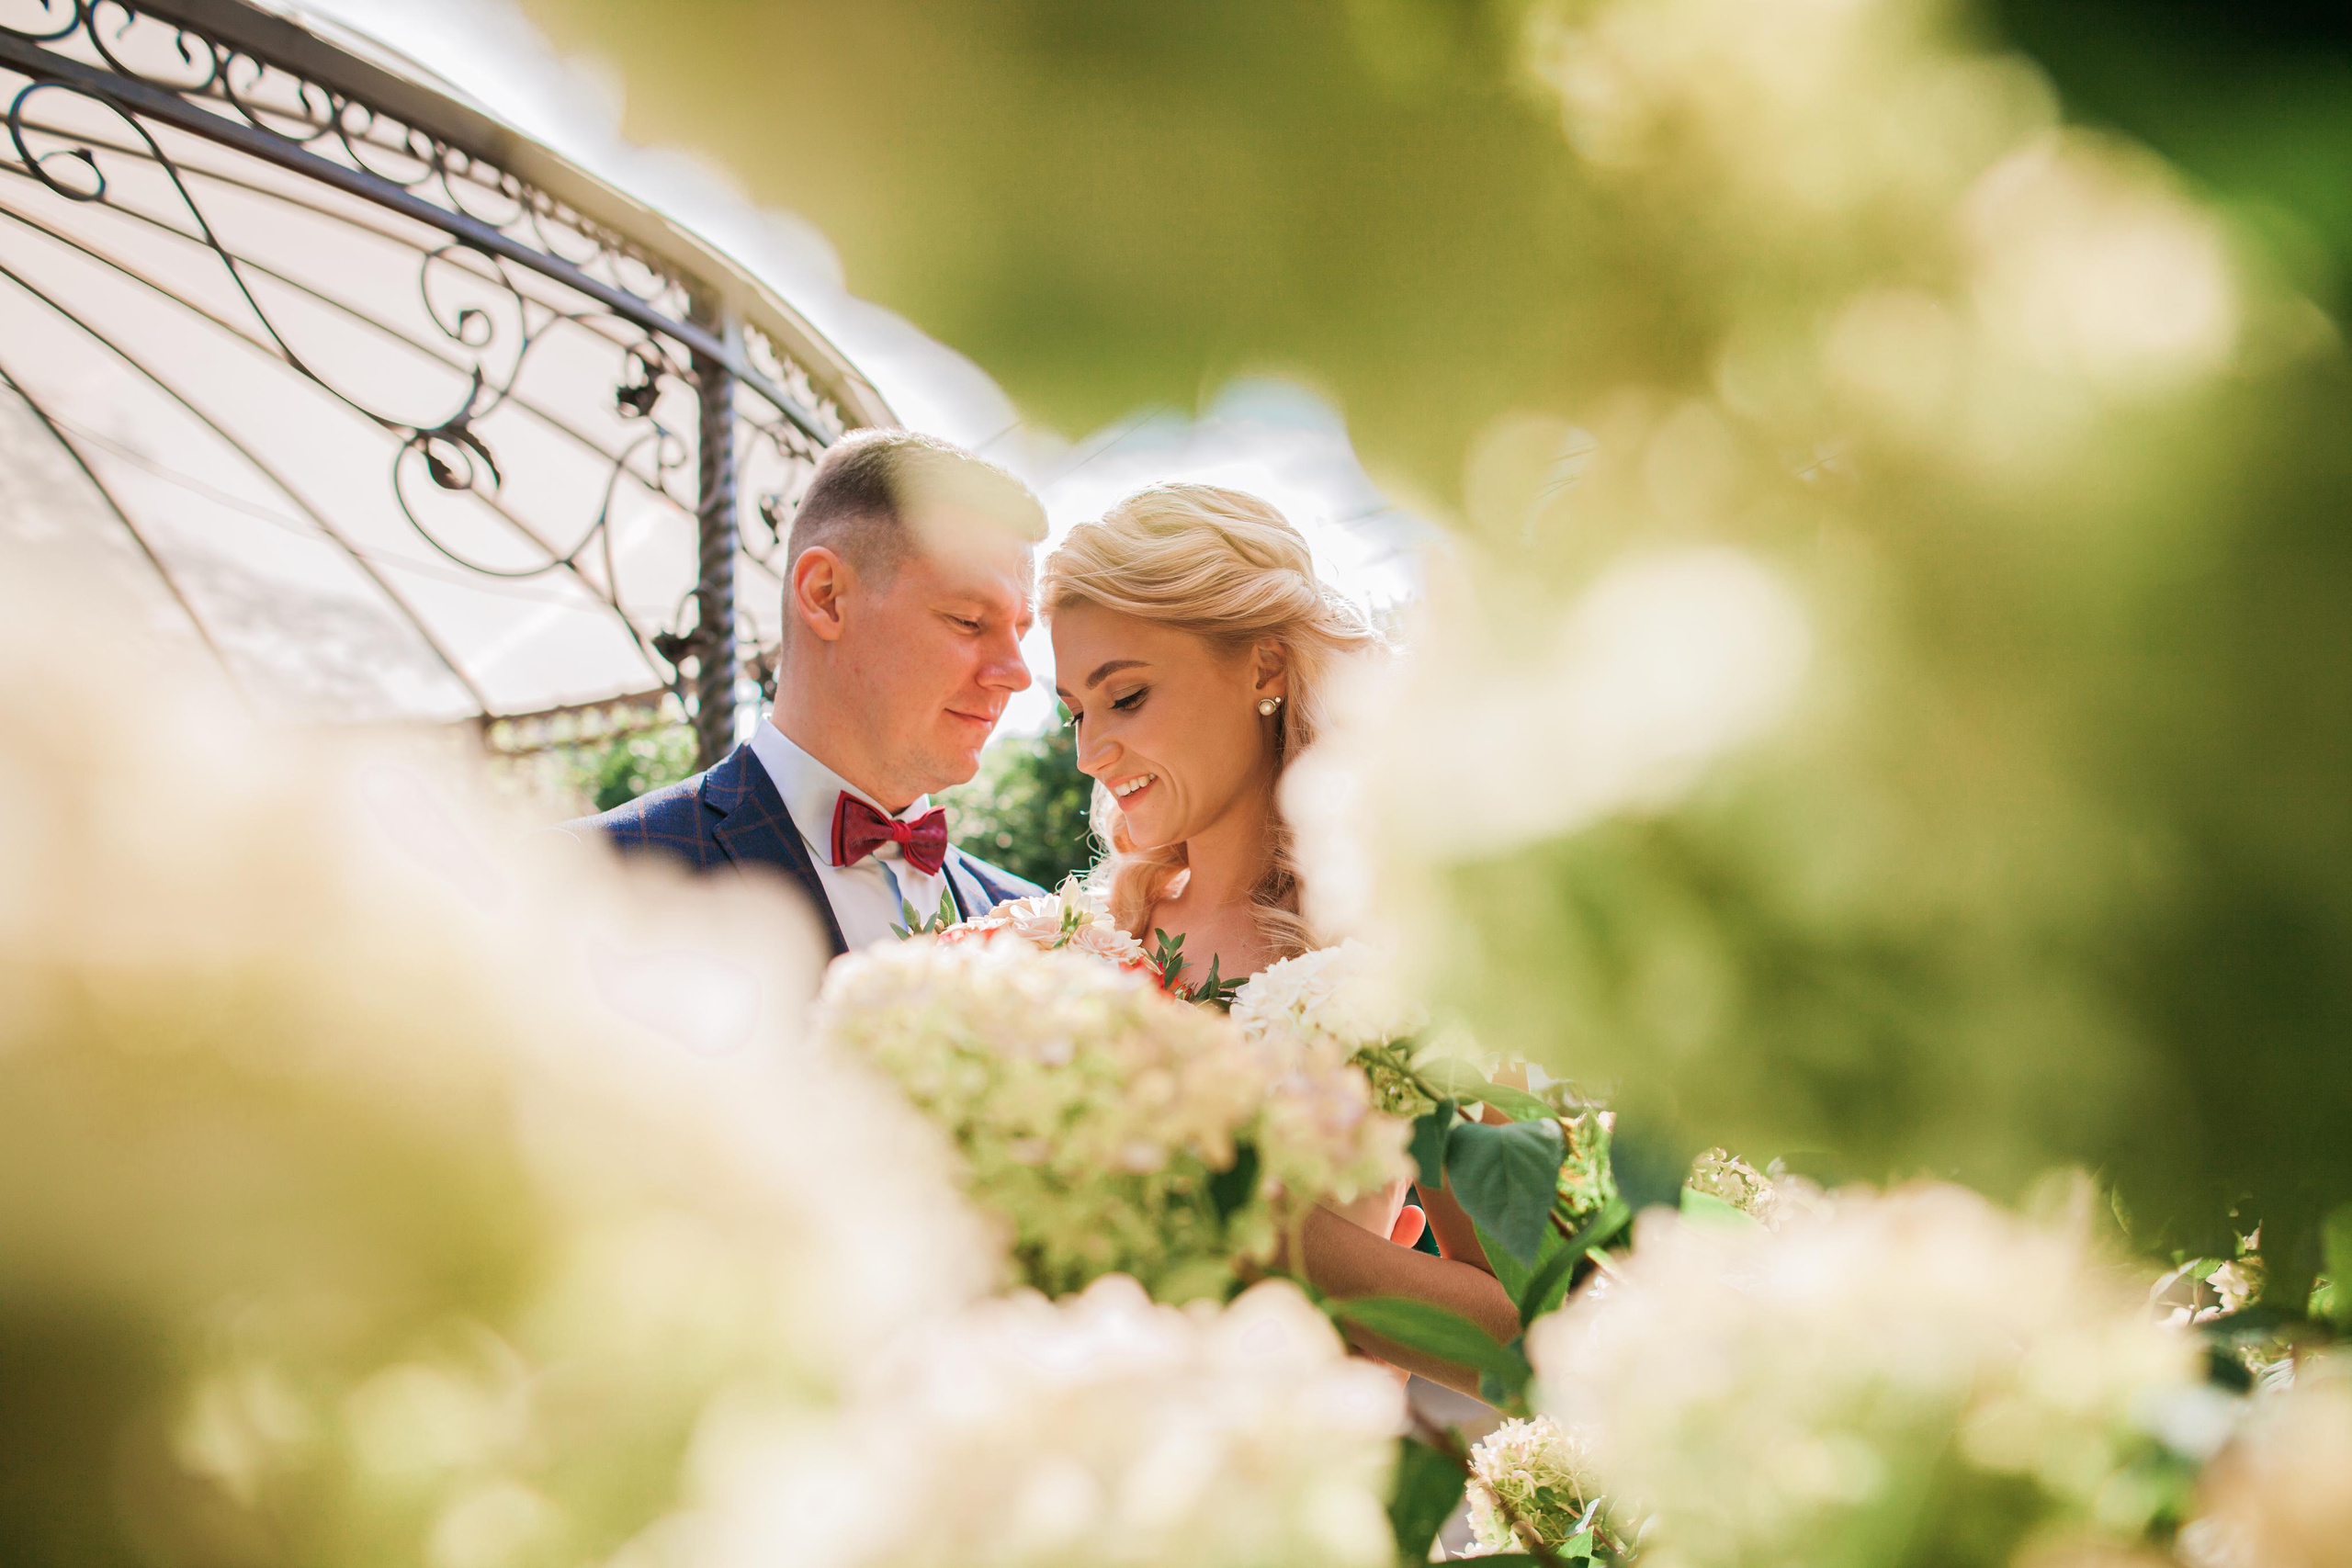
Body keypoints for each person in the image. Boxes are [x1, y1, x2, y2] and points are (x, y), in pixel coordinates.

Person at [1041, 481, 1520, 1393]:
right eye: (1075, 710)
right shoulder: (1079, 936)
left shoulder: (1404, 958)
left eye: (1126, 696)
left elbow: (1521, 1337)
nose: (1087, 752)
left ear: (1265, 669)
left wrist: (1255, 1221)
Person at [561, 429, 1046, 953]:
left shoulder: (1033, 925)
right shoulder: (592, 877)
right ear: (827, 597)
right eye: (969, 620)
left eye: (1021, 631)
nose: (1017, 673)